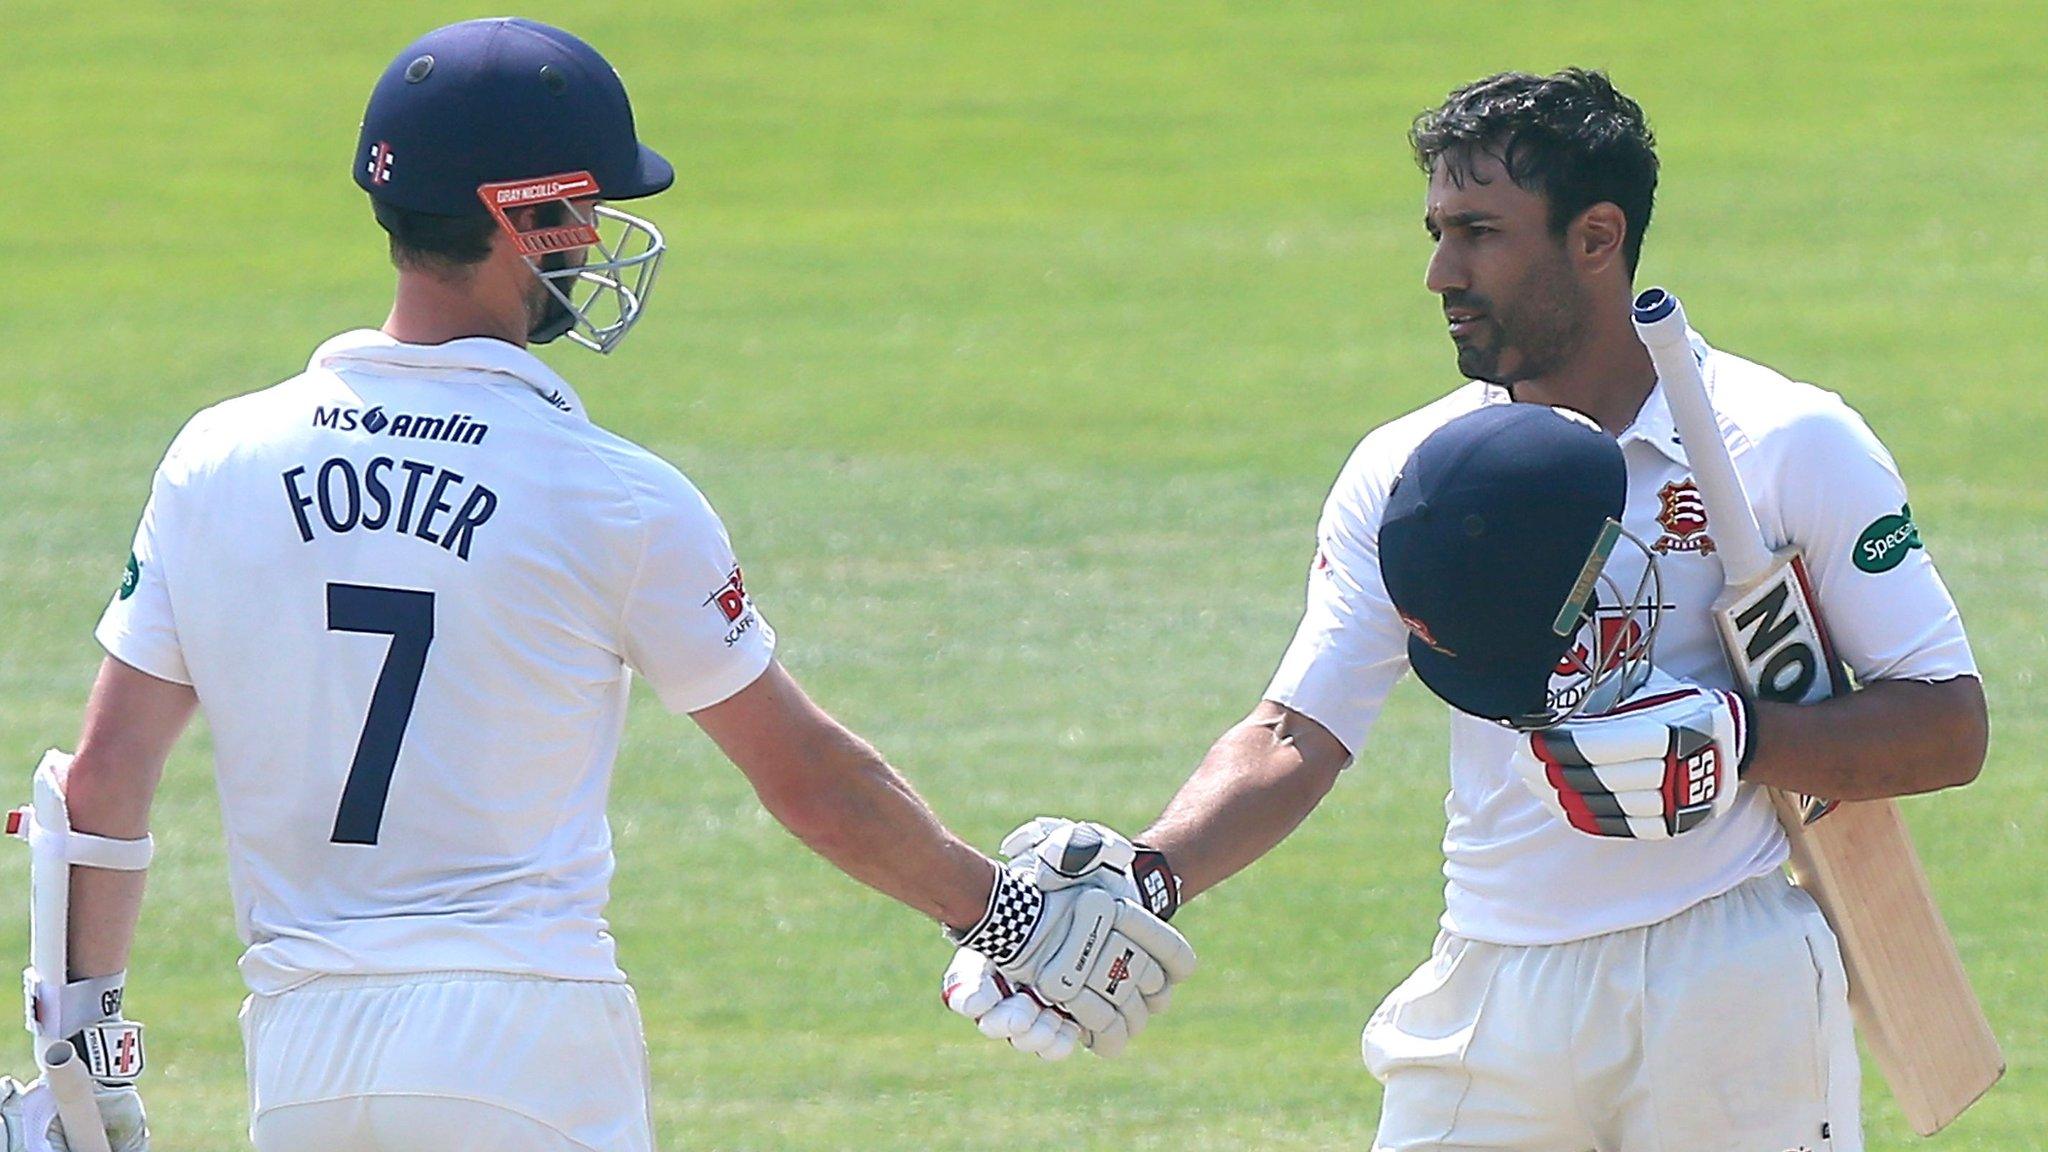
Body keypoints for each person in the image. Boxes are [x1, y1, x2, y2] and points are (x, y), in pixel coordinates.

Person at [0, 18, 1190, 1152]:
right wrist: (1002, 911)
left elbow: (100, 786)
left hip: (306, 1060)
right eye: (583, 207)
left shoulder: (213, 461)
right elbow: (809, 779)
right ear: (518, 219)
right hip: (527, 1045)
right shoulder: (608, 493)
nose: (596, 233)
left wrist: (80, 1057)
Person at [946, 68, 1987, 1151]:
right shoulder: (1412, 471)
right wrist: (1146, 873)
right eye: (1437, 229)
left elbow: (1949, 726)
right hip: (1489, 986)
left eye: (1479, 232)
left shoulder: (1785, 445)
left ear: (1595, 237)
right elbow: (1296, 729)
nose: (1440, 270)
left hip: (1723, 975)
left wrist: (1740, 738)